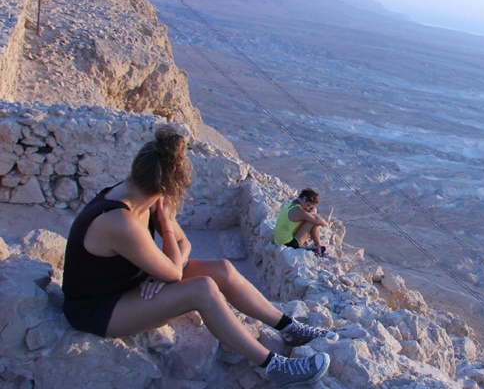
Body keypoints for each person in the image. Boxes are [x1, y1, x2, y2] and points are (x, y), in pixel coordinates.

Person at [61, 126, 337, 388]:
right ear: (167, 188)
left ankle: (288, 327)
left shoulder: (138, 192)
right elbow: (174, 271)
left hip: (129, 285)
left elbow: (184, 245)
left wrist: (163, 270)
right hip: (99, 310)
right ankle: (276, 368)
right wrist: (166, 228)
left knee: (223, 269)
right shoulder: (119, 221)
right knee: (202, 289)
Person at [273, 188, 329, 256]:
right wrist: (326, 224)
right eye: (308, 205)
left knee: (309, 218)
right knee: (313, 222)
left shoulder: (293, 203)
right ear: (304, 199)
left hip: (279, 240)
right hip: (288, 244)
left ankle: (316, 242)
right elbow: (317, 220)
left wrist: (311, 212)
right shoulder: (299, 211)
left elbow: (309, 213)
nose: (307, 208)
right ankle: (319, 245)